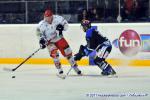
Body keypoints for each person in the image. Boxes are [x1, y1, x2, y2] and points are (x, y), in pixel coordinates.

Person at [36, 9, 82, 75]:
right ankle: (60, 70)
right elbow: (39, 33)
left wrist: (62, 28)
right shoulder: (41, 24)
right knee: (54, 54)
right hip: (50, 42)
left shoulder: (58, 19)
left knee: (68, 53)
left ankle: (76, 68)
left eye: (49, 17)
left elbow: (66, 25)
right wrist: (41, 40)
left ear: (52, 16)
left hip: (59, 38)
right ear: (44, 17)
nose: (48, 19)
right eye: (46, 17)